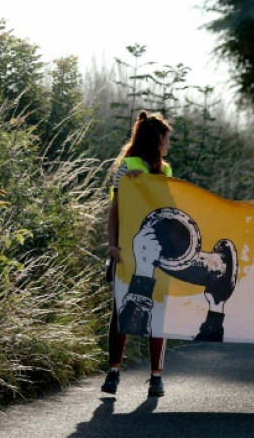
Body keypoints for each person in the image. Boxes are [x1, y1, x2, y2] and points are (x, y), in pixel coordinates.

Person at [103, 111, 172, 398]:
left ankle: (156, 377)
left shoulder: (165, 170)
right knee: (122, 310)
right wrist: (112, 245)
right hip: (126, 252)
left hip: (157, 251)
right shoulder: (126, 167)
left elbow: (168, 209)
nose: (169, 144)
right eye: (166, 139)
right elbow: (116, 212)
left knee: (158, 311)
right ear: (156, 140)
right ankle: (114, 372)